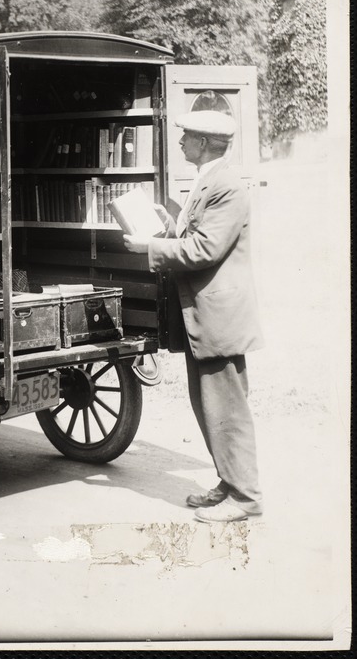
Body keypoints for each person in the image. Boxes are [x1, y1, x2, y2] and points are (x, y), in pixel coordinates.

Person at [123, 110, 264, 523]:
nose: (181, 142)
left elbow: (205, 250)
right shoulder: (210, 180)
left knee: (226, 409)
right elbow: (196, 237)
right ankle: (229, 480)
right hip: (204, 317)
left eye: (187, 137)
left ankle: (247, 497)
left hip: (218, 318)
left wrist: (150, 247)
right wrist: (171, 226)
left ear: (204, 142)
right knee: (209, 406)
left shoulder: (227, 187)